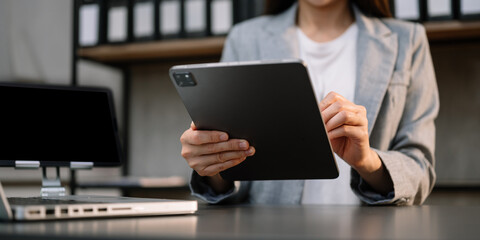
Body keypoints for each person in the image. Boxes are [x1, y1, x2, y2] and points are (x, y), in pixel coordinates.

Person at [180, 0, 439, 205]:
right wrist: (213, 165)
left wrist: (368, 162)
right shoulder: (245, 38)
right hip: (270, 229)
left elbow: (420, 169)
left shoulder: (408, 40)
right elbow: (235, 173)